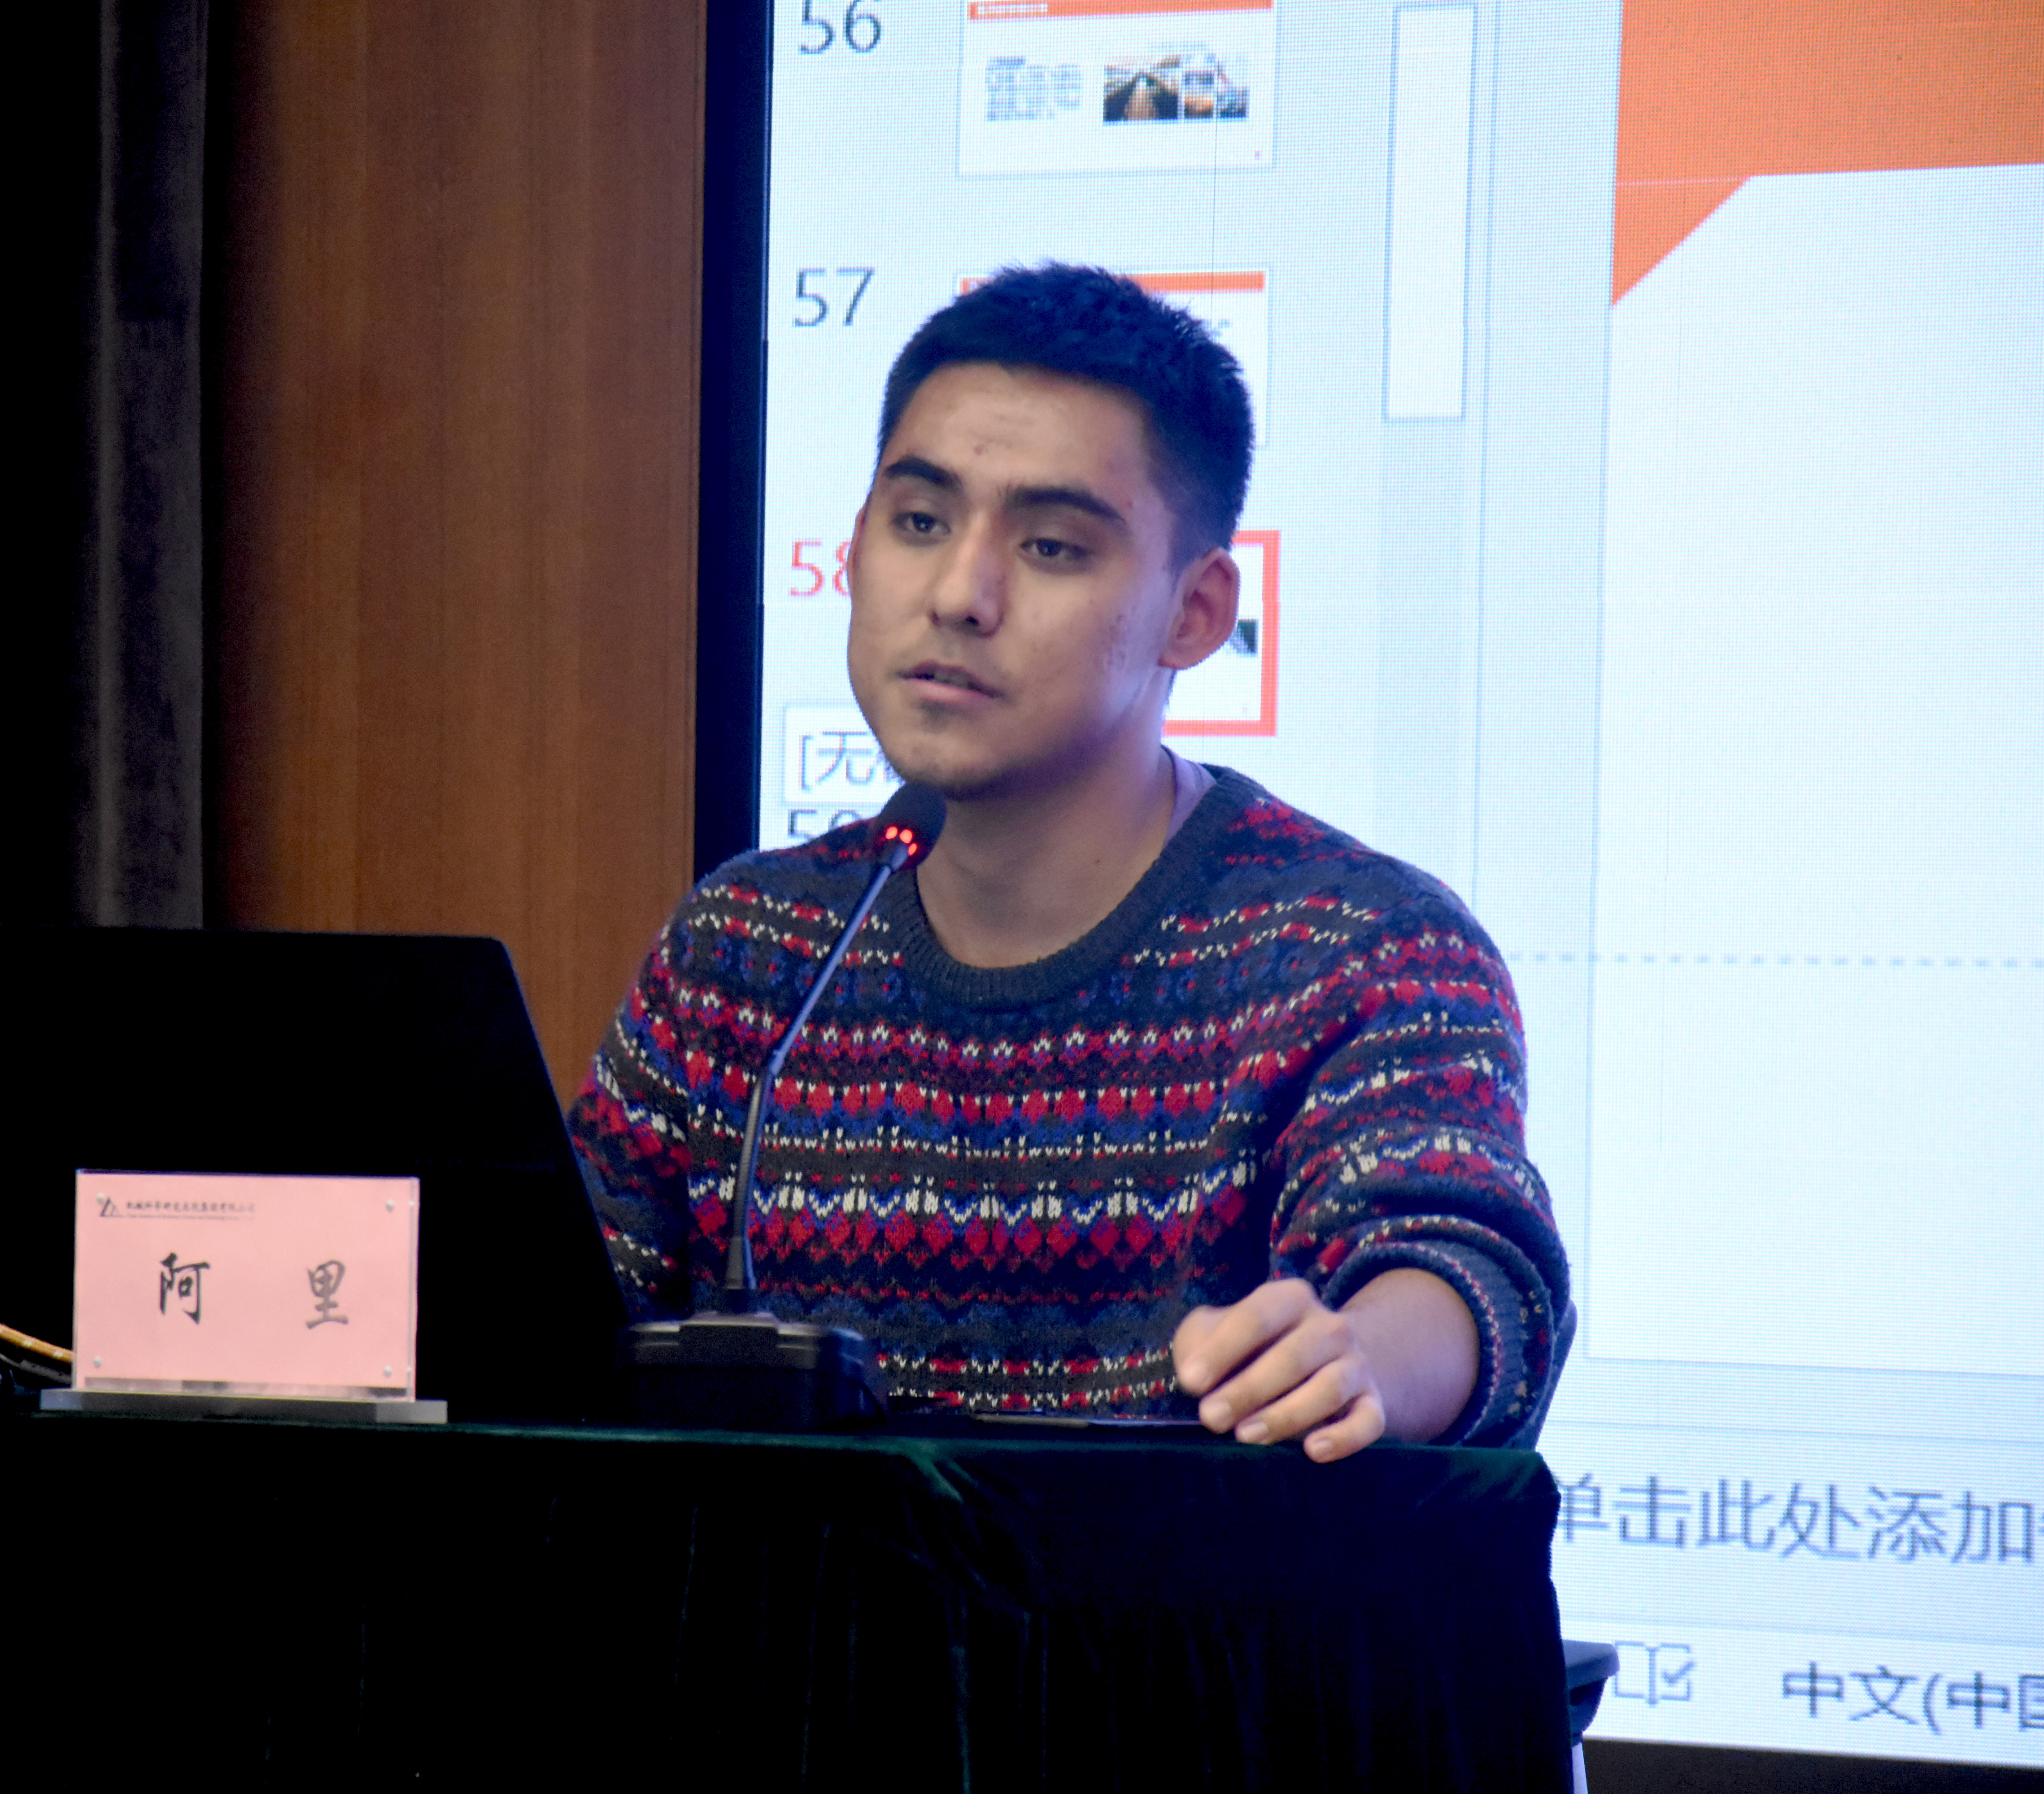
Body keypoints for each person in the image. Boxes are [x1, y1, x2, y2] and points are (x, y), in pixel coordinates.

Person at [569, 264, 1570, 1458]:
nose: (959, 595)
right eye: (920, 523)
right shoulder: (748, 950)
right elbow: (549, 1330)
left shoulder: (1358, 950)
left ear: (1195, 614)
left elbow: (1464, 1266)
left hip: (1182, 1586)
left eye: (1050, 547)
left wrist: (1360, 1360)